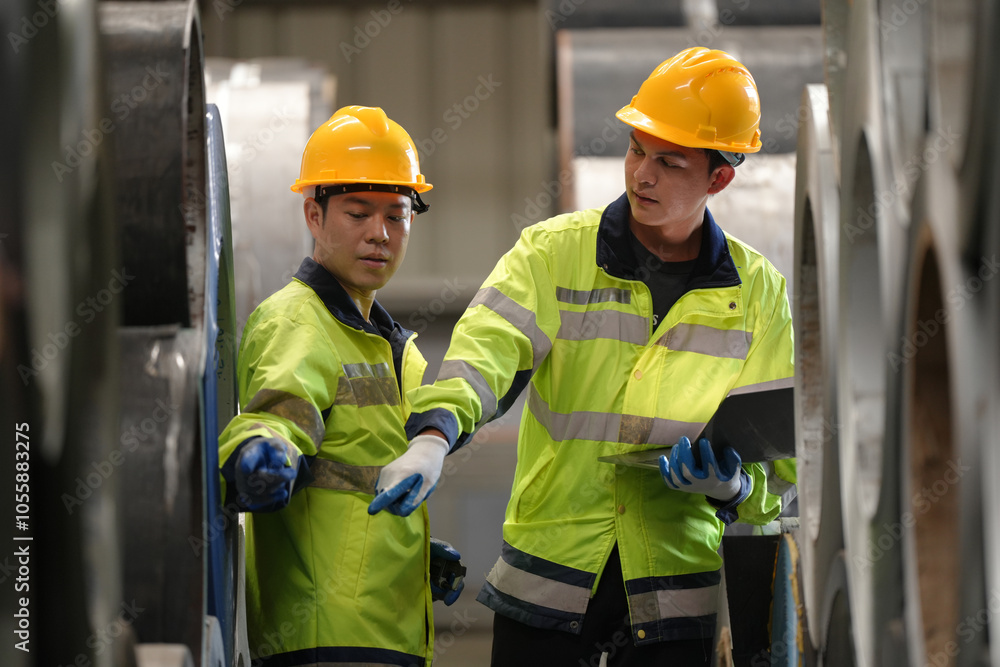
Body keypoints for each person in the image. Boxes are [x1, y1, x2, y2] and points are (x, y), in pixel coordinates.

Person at [368, 47, 796, 666]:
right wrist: (434, 436)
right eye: (636, 150)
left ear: (718, 179)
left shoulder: (758, 295)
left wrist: (731, 487)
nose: (641, 175)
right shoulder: (553, 254)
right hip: (546, 585)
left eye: (669, 162)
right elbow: (485, 353)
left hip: (675, 601)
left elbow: (780, 469)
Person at [218, 105, 463, 667]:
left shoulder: (384, 342)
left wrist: (411, 554)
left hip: (384, 627)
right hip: (326, 633)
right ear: (314, 213)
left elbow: (353, 479)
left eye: (397, 216)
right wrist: (260, 451)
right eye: (357, 213)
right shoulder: (299, 321)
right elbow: (276, 420)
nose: (380, 234)